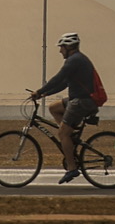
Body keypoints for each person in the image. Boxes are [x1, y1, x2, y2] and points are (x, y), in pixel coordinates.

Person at [29, 33, 104, 180]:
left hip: (81, 102)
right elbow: (64, 83)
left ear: (68, 47)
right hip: (77, 100)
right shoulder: (76, 60)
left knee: (62, 133)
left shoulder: (74, 60)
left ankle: (72, 168)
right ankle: (70, 135)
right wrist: (45, 94)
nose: (60, 51)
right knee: (54, 108)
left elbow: (58, 78)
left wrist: (39, 91)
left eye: (61, 47)